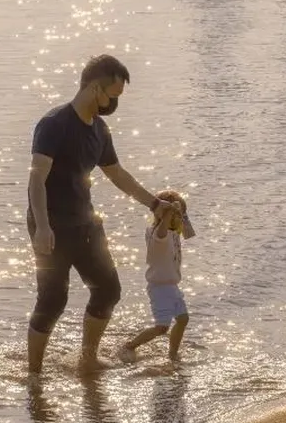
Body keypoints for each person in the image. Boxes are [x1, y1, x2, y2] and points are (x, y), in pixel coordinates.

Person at [26, 54, 175, 375]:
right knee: (53, 301)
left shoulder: (100, 130)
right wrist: (41, 227)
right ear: (96, 89)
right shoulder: (54, 124)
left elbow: (117, 174)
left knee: (108, 290)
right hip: (50, 225)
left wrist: (154, 203)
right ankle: (34, 374)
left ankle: (87, 358)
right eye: (113, 96)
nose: (114, 104)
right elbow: (37, 176)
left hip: (85, 222)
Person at [120, 189, 191, 363]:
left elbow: (189, 233)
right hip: (159, 287)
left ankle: (172, 353)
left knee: (183, 319)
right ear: (163, 216)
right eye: (175, 215)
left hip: (172, 285)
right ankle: (130, 346)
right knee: (161, 327)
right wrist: (168, 213)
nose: (179, 218)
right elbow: (161, 232)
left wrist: (180, 211)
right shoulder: (158, 234)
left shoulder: (175, 232)